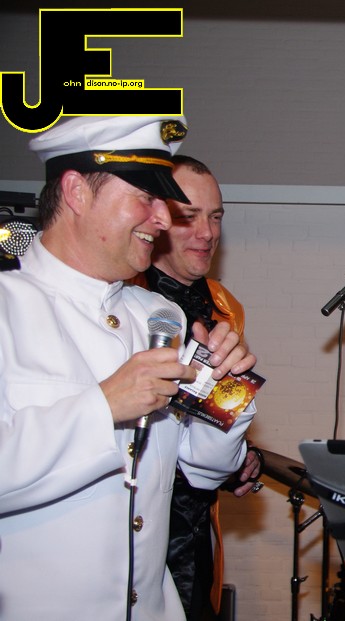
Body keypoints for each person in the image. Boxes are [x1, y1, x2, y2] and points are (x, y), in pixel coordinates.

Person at [0, 115, 256, 621]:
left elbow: (204, 470)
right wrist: (103, 407)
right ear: (76, 192)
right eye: (147, 197)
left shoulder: (161, 317)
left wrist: (228, 393)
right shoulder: (8, 306)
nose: (163, 219)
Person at [128, 154, 262, 620]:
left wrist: (239, 455)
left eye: (216, 217)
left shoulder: (225, 307)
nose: (207, 233)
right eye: (190, 216)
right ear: (158, 217)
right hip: (131, 523)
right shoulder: (121, 298)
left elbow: (206, 417)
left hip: (195, 526)